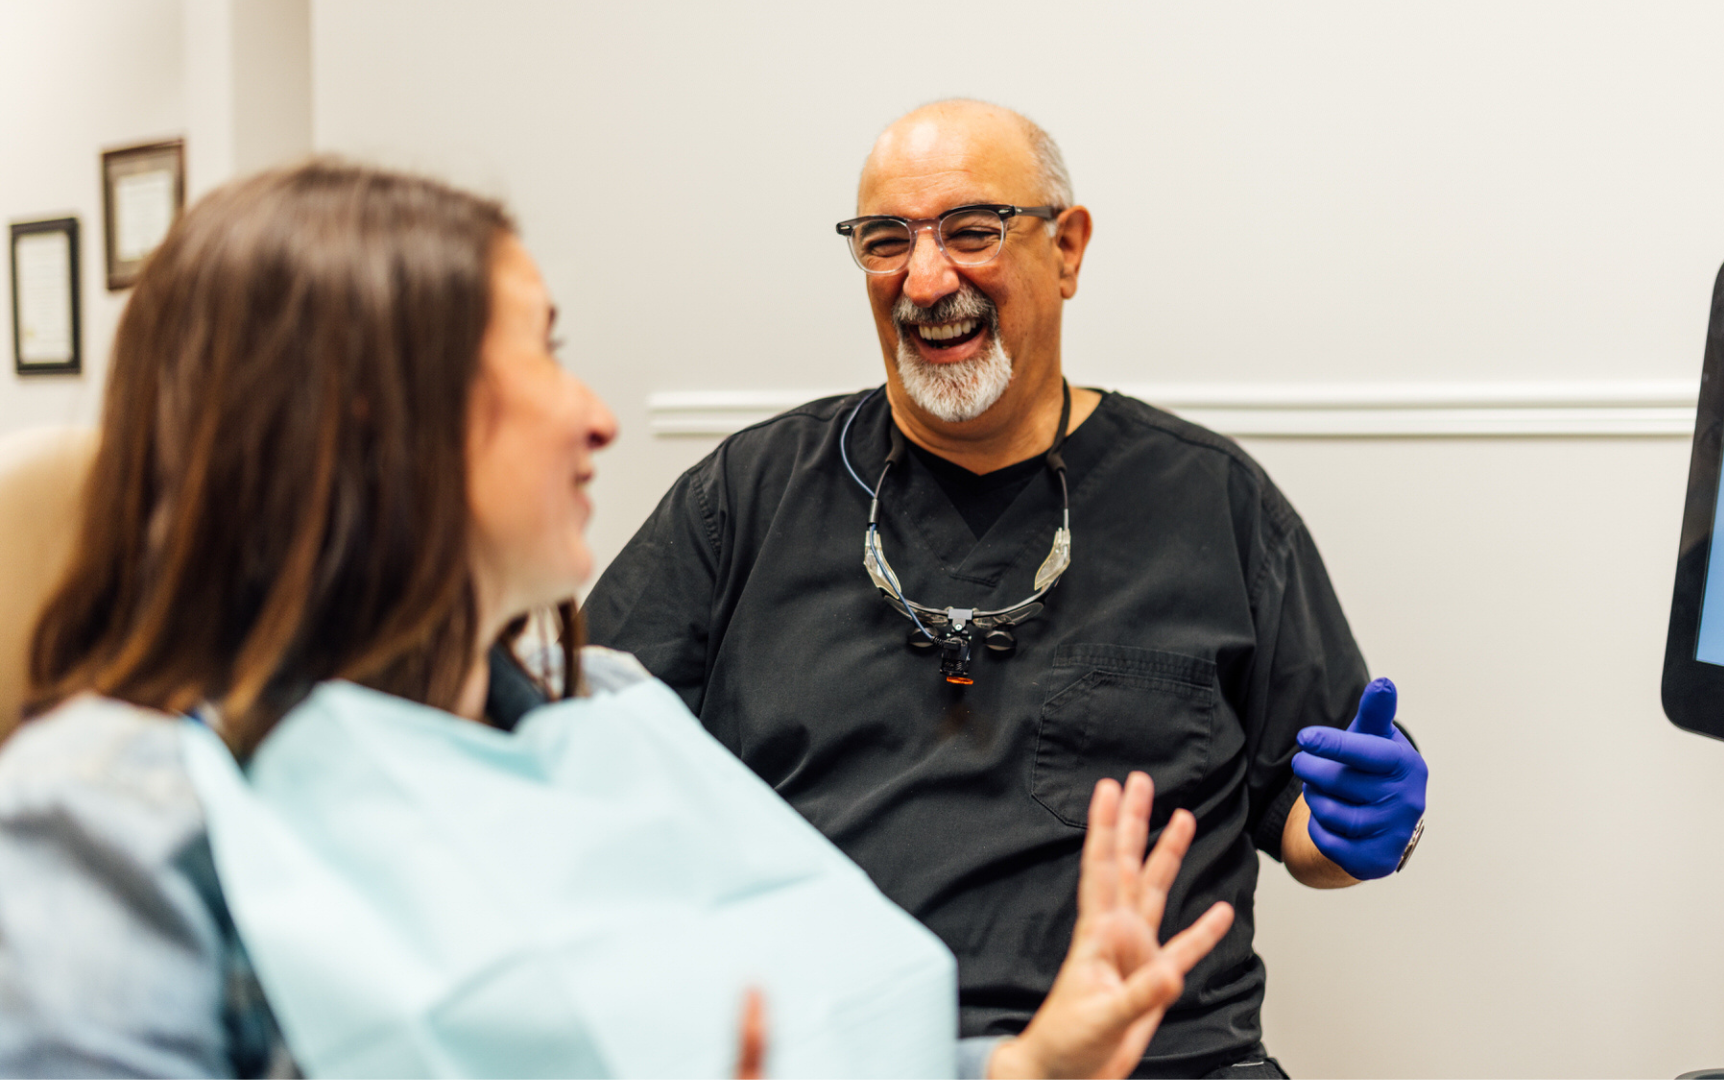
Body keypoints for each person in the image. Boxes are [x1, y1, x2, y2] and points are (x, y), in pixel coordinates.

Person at [0, 160, 1232, 1078]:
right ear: (374, 423)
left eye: (974, 231)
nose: (596, 416)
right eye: (542, 354)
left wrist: (1023, 1066)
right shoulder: (114, 828)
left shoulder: (608, 717)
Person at [584, 99, 1430, 1078]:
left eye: (973, 232)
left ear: (1067, 249)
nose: (926, 278)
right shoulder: (745, 501)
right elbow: (581, 760)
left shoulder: (1212, 503)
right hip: (838, 1056)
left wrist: (1360, 826)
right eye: (885, 241)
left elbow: (1305, 809)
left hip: (1160, 1057)